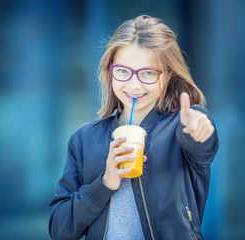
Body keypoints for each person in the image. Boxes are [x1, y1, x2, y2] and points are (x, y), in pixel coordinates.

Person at [48, 15, 219, 240]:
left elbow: (202, 143)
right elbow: (60, 229)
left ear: (167, 76)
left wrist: (198, 126)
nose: (134, 84)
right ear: (110, 71)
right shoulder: (83, 140)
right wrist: (105, 183)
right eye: (123, 71)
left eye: (148, 73)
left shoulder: (180, 129)